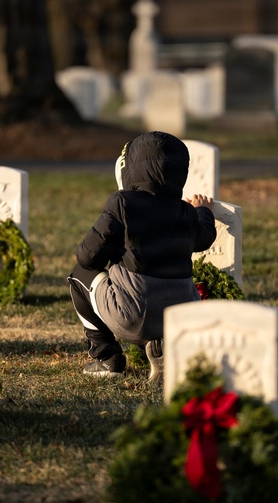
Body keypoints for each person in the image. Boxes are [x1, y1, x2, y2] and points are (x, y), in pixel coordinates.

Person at [68, 131, 216, 378]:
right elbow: (204, 239)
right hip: (181, 318)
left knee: (79, 274)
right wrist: (202, 211)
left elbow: (87, 257)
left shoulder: (122, 202)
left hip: (133, 316)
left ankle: (106, 357)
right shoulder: (185, 211)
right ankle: (165, 347)